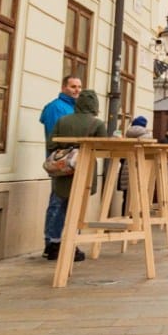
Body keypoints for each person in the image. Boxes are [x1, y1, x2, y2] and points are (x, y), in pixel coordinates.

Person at [46, 88, 108, 264]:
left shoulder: (62, 120)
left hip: (63, 168)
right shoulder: (96, 124)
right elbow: (102, 149)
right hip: (84, 170)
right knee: (77, 209)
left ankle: (53, 242)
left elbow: (51, 143)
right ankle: (72, 244)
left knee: (58, 205)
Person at [40, 75, 82, 260]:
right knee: (58, 201)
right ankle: (52, 243)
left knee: (66, 202)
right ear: (64, 87)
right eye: (73, 86)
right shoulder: (56, 107)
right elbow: (56, 136)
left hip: (71, 161)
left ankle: (62, 241)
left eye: (79, 87)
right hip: (61, 162)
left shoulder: (73, 107)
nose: (77, 90)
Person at [118, 115, 154, 216]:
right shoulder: (147, 135)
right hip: (141, 167)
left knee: (126, 196)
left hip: (127, 166)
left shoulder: (126, 134)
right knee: (139, 195)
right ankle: (138, 220)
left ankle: (125, 217)